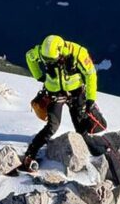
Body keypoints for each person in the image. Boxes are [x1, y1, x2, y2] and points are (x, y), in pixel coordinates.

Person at [21, 35, 106, 172]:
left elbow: (91, 74)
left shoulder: (78, 53)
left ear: (61, 51)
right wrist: (38, 76)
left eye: (52, 60)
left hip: (75, 93)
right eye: (47, 60)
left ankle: (90, 148)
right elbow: (29, 56)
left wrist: (90, 99)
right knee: (52, 126)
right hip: (55, 93)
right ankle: (31, 152)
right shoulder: (44, 51)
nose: (49, 63)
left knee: (80, 126)